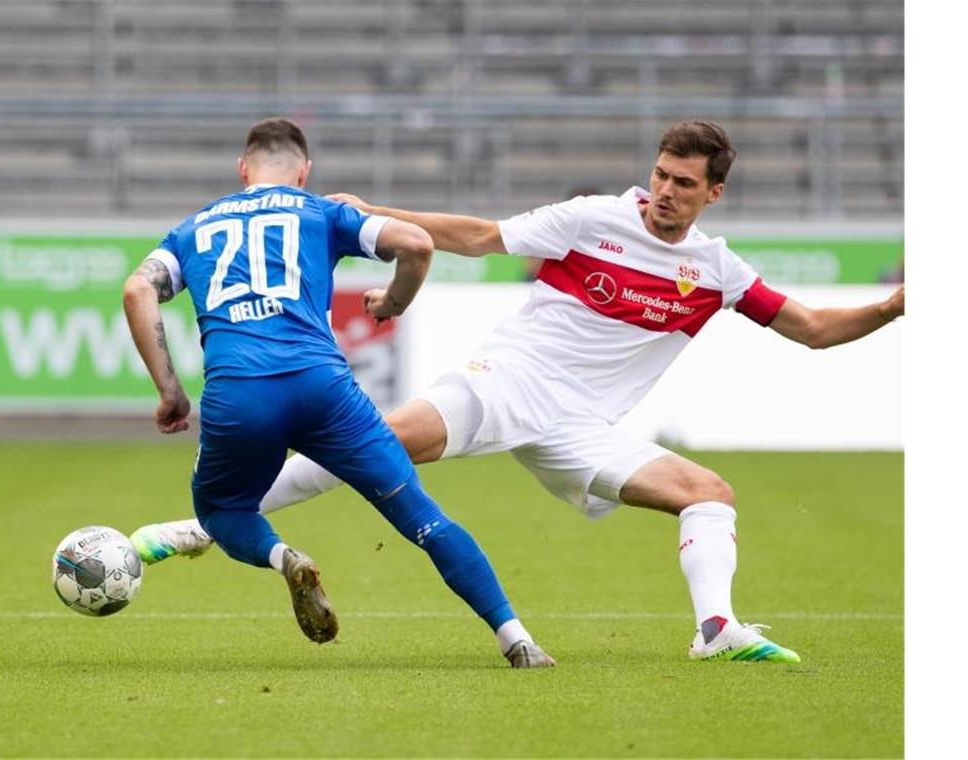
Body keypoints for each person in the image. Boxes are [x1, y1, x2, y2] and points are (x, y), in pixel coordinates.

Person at [135, 120, 905, 663]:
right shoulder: (593, 219)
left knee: (707, 492)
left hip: (582, 424)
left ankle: (717, 630)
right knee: (382, 441)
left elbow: (813, 328)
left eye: (683, 184)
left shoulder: (717, 270)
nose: (664, 191)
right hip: (511, 377)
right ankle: (204, 526)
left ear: (715, 194)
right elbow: (478, 235)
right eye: (661, 175)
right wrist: (380, 215)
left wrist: (896, 305)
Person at [124, 117, 554, 668]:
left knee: (220, 512)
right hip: (323, 389)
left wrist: (170, 393)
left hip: (239, 394)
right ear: (304, 172)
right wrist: (394, 302)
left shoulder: (193, 228)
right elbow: (417, 243)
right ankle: (516, 639)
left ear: (242, 168)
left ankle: (285, 558)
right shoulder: (319, 211)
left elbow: (138, 289)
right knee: (423, 517)